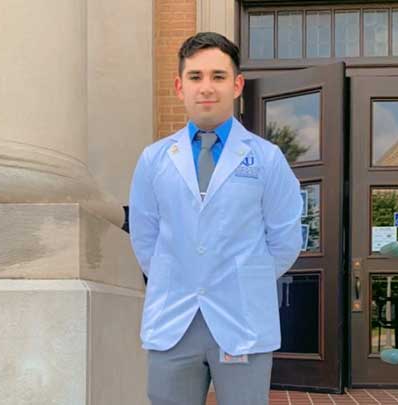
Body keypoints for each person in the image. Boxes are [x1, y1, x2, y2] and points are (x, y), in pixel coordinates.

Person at [129, 32, 302, 405]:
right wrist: (180, 274)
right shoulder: (154, 159)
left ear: (237, 84)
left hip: (242, 318)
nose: (206, 87)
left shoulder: (267, 159)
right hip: (174, 320)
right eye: (195, 77)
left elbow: (285, 239)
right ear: (179, 86)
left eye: (218, 76)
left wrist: (241, 279)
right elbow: (145, 237)